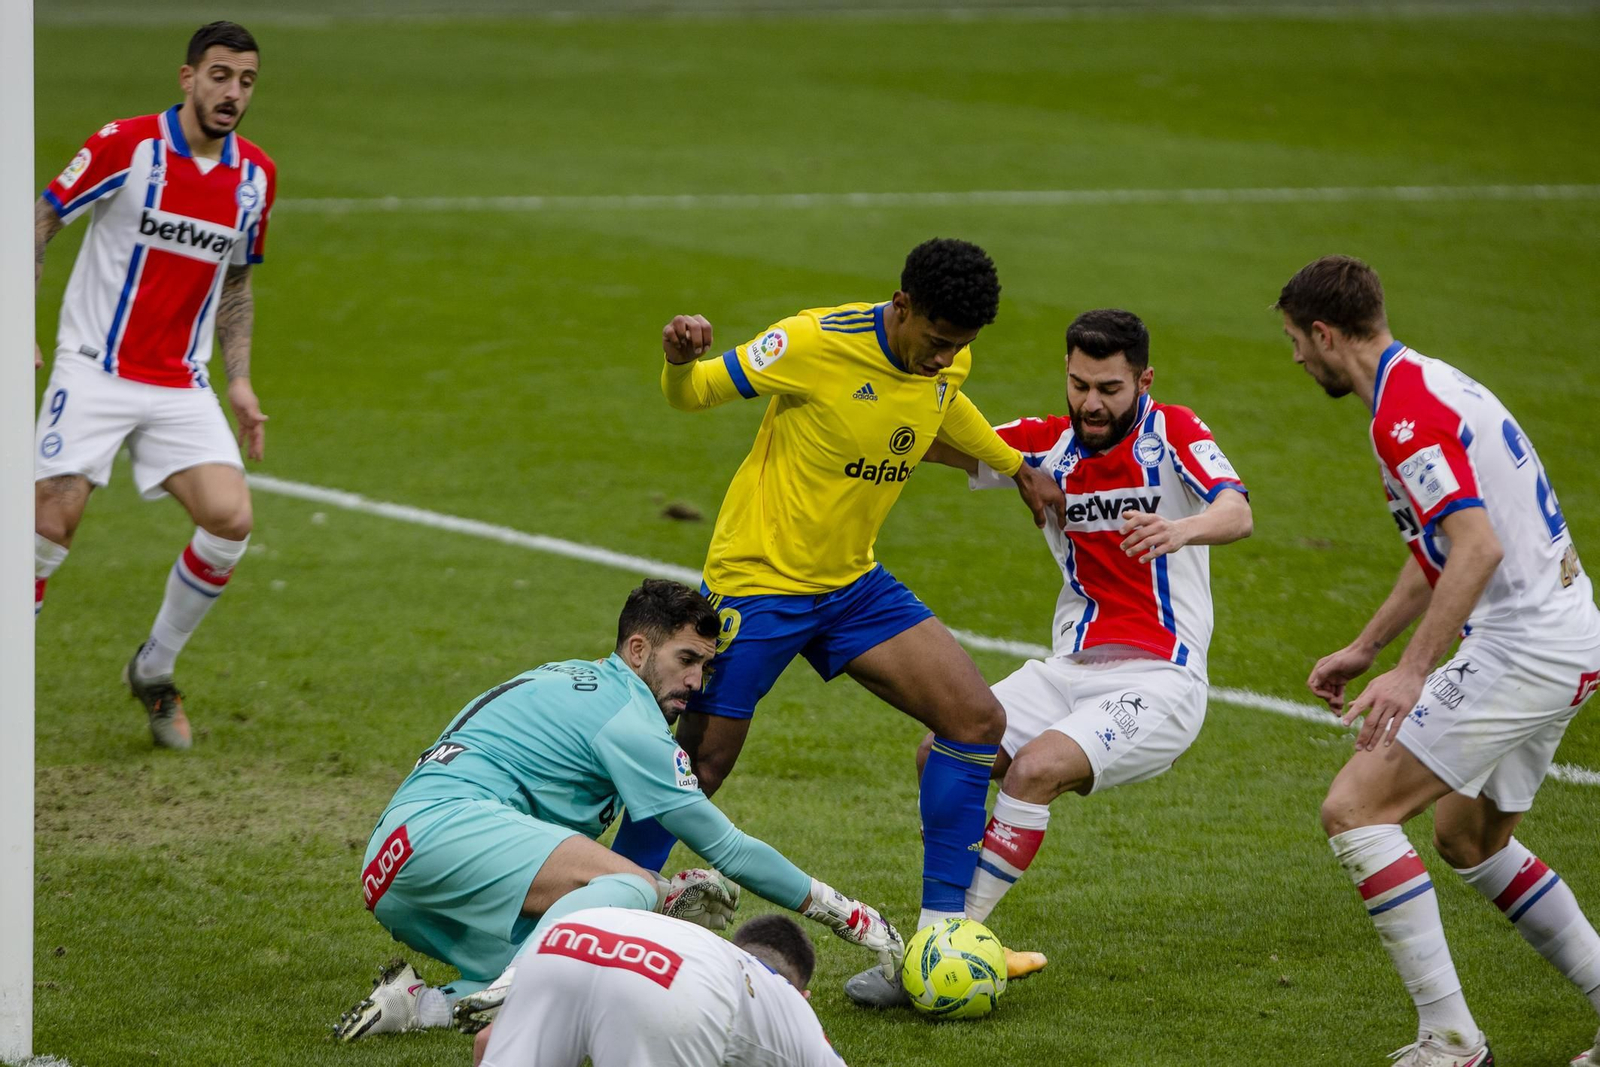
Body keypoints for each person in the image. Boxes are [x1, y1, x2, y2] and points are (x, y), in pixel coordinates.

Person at [616, 239, 1065, 968]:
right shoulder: (811, 342)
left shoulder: (945, 364)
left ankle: (943, 936)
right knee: (699, 766)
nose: (945, 358)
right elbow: (691, 393)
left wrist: (1018, 468)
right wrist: (677, 356)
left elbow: (945, 407)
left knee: (975, 717)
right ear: (902, 306)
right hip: (758, 583)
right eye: (938, 341)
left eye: (961, 347)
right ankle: (603, 914)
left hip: (852, 586)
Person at [846, 308, 1253, 1006]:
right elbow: (937, 442)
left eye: (1109, 387)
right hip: (1067, 671)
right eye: (1079, 384)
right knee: (941, 753)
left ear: (1142, 380)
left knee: (1032, 771)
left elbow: (1237, 511)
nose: (1091, 402)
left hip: (1160, 680)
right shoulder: (1046, 448)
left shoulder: (1173, 430)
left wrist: (1180, 528)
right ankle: (953, 938)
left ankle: (947, 948)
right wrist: (885, 403)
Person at [334, 580, 902, 1042]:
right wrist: (846, 914)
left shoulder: (567, 677)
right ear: (638, 650)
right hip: (448, 832)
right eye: (686, 660)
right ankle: (519, 980)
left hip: (393, 870)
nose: (696, 682)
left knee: (591, 967)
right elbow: (727, 847)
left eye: (704, 667)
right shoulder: (629, 719)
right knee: (631, 893)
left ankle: (416, 1005)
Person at [1277, 255, 1600, 1067]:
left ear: (1324, 332)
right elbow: (1441, 548)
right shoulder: (1424, 383)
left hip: (1522, 644)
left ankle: (1451, 1041)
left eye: (1295, 342)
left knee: (1354, 807)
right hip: (1569, 634)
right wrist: (1366, 645)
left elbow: (1477, 548)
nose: (1295, 360)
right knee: (1469, 836)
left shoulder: (1404, 416)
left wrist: (1412, 670)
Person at [33, 21, 275, 750]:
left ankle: (154, 668)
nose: (233, 93)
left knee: (231, 518)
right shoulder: (126, 144)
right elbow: (41, 221)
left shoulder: (255, 175)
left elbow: (235, 283)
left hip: (179, 381)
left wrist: (238, 380)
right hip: (93, 366)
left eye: (246, 81)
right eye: (221, 76)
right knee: (50, 521)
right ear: (188, 77)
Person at [472, 911, 842, 1067]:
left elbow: (487, 1041)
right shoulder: (791, 1006)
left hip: (568, 932)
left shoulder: (710, 946)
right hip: (678, 981)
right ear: (803, 997)